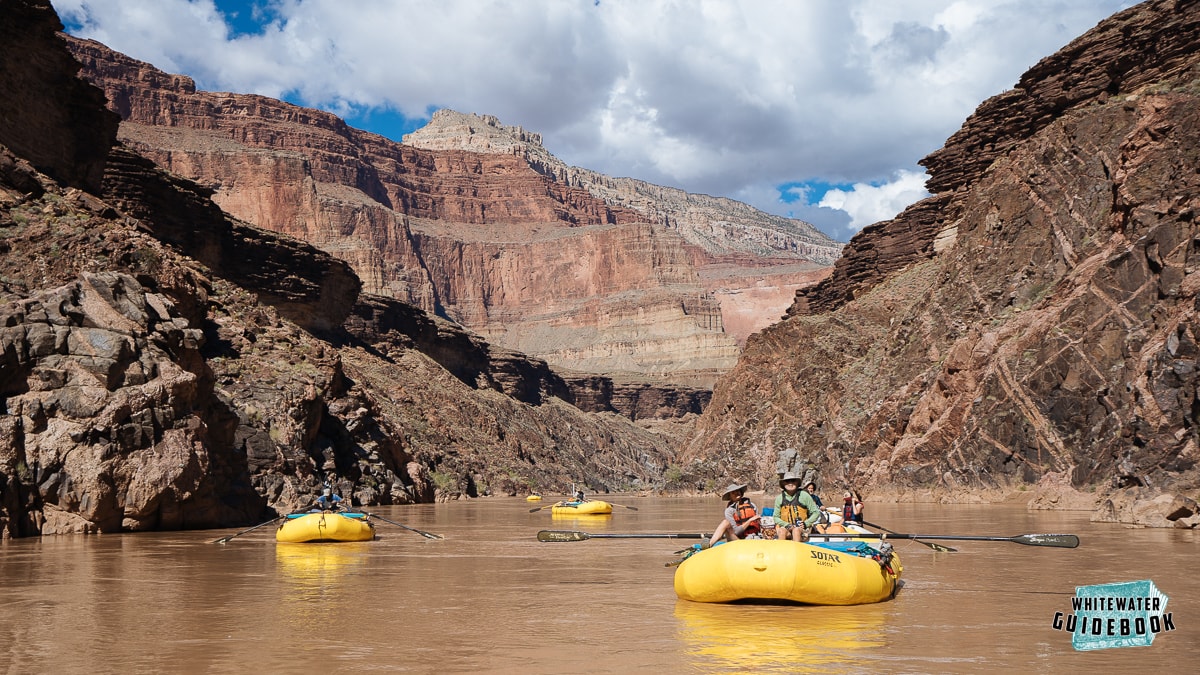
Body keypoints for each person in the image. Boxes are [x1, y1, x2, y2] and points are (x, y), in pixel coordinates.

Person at [774, 472, 822, 541]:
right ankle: (782, 550)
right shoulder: (779, 498)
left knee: (796, 530)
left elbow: (816, 513)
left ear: (796, 483)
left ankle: (796, 549)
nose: (790, 483)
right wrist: (787, 525)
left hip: (803, 529)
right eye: (787, 481)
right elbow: (776, 517)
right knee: (781, 531)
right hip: (786, 528)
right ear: (784, 484)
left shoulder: (804, 495)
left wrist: (806, 523)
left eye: (793, 481)